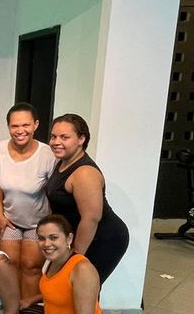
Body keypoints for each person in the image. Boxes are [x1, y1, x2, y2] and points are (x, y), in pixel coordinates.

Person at [44, 113, 130, 282]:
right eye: (53, 136)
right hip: (78, 234)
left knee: (84, 286)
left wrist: (75, 256)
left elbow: (91, 219)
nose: (56, 142)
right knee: (69, 286)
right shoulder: (62, 162)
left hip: (103, 238)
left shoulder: (85, 173)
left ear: (81, 139)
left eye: (64, 137)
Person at [0, 103, 57, 299]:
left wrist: (51, 225)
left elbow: (54, 192)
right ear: (8, 127)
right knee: (9, 265)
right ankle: (11, 308)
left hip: (38, 223)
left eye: (26, 125)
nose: (20, 131)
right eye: (15, 126)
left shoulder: (48, 155)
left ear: (36, 125)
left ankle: (28, 308)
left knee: (31, 267)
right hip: (10, 220)